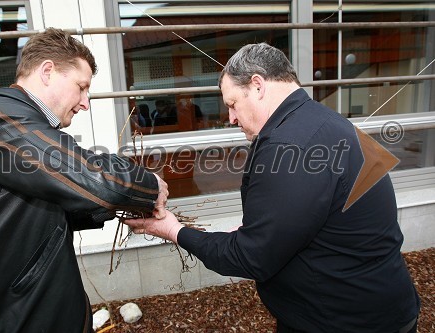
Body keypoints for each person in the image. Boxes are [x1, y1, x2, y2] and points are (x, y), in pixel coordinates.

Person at [123, 43, 420, 332]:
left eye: (232, 104)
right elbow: (316, 222)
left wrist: (173, 230)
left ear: (257, 85)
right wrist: (257, 233)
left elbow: (251, 258)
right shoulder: (327, 121)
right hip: (378, 305)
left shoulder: (289, 145)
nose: (231, 119)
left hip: (344, 320)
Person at [0, 28, 168, 332]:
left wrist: (113, 210)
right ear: (47, 71)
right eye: (81, 87)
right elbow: (95, 178)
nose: (86, 102)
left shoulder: (11, 121)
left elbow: (25, 212)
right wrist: (148, 186)